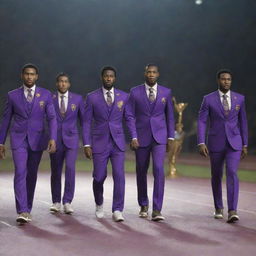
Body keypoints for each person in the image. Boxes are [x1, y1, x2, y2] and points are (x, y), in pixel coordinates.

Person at [0, 63, 57, 223]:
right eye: (27, 74)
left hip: (38, 140)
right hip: (18, 140)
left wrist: (53, 138)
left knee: (31, 175)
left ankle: (28, 207)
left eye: (32, 74)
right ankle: (22, 210)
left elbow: (52, 118)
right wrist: (1, 142)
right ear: (22, 75)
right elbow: (5, 120)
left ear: (36, 76)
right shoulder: (12, 95)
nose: (29, 77)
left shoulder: (45, 95)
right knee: (20, 171)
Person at [84, 66, 135, 222]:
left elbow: (129, 118)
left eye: (111, 76)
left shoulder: (124, 97)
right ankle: (99, 203)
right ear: (102, 77)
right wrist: (87, 144)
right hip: (99, 142)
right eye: (106, 76)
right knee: (99, 177)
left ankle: (118, 209)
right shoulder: (92, 97)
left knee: (120, 176)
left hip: (118, 142)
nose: (108, 78)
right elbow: (86, 122)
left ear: (115, 78)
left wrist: (134, 136)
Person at [197, 69, 248, 223]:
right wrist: (201, 141)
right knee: (217, 175)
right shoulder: (208, 99)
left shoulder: (239, 98)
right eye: (223, 79)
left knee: (232, 172)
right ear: (218, 80)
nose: (226, 81)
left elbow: (243, 122)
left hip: (234, 142)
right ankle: (218, 207)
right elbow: (202, 121)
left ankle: (233, 210)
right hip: (216, 142)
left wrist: (245, 143)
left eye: (229, 79)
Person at [127, 64, 175, 221]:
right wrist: (133, 136)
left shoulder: (166, 92)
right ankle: (143, 204)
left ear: (158, 74)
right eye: (149, 72)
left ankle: (157, 209)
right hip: (141, 138)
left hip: (160, 138)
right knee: (141, 170)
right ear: (145, 73)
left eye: (154, 72)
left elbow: (170, 117)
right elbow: (130, 116)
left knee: (159, 170)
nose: (151, 74)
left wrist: (170, 137)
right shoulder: (134, 92)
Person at [49, 73, 86, 214]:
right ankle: (56, 201)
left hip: (71, 139)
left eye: (65, 82)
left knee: (70, 168)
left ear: (69, 84)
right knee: (56, 171)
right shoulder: (49, 98)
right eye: (60, 81)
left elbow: (84, 121)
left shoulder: (77, 99)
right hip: (55, 140)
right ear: (57, 84)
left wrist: (88, 140)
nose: (63, 84)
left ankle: (67, 201)